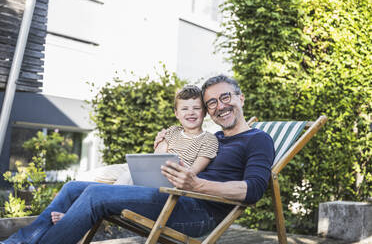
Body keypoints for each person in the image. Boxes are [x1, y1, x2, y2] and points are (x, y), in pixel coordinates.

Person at [2, 75, 274, 244]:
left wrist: (197, 186)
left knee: (96, 195)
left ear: (240, 97)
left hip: (199, 212)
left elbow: (253, 190)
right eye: (212, 102)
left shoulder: (258, 140)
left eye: (225, 97)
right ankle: (17, 242)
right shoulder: (216, 139)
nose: (220, 106)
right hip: (174, 197)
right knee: (74, 188)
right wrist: (162, 154)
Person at [51, 85, 219, 223]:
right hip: (153, 175)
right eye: (185, 108)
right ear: (176, 114)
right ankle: (81, 210)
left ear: (204, 112)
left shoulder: (209, 140)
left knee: (115, 183)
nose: (190, 112)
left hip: (172, 185)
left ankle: (77, 217)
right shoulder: (172, 131)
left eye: (196, 108)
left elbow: (192, 173)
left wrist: (176, 164)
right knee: (93, 178)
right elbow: (157, 157)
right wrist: (160, 146)